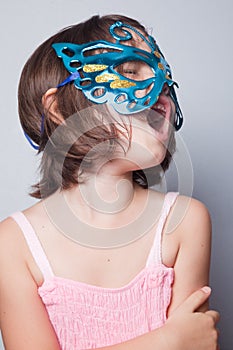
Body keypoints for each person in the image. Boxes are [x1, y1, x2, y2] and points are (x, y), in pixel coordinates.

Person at [0, 14, 219, 350]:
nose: (158, 86)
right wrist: (167, 341)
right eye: (130, 72)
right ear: (58, 110)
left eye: (164, 75)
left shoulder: (185, 222)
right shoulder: (13, 245)